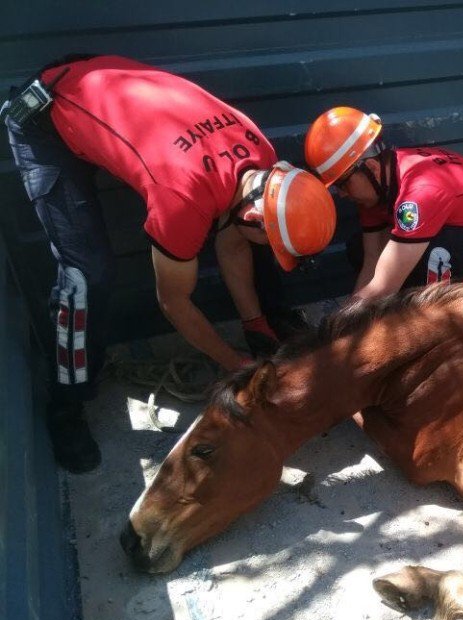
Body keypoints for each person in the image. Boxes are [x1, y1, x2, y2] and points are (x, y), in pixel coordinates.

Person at [3, 54, 337, 473]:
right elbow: (174, 302)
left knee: (242, 246)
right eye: (268, 240)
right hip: (48, 112)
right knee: (86, 275)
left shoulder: (262, 158)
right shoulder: (182, 199)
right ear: (254, 214)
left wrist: (254, 325)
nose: (268, 250)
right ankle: (66, 403)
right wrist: (232, 363)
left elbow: (234, 243)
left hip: (104, 84)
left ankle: (262, 321)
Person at [303, 106, 463, 302]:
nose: (341, 194)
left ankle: (442, 322)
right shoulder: (377, 185)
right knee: (359, 250)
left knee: (430, 254)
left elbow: (383, 286)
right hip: (462, 235)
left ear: (370, 168)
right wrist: (348, 324)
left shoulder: (420, 192)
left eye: (343, 184)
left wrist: (338, 335)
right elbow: (372, 259)